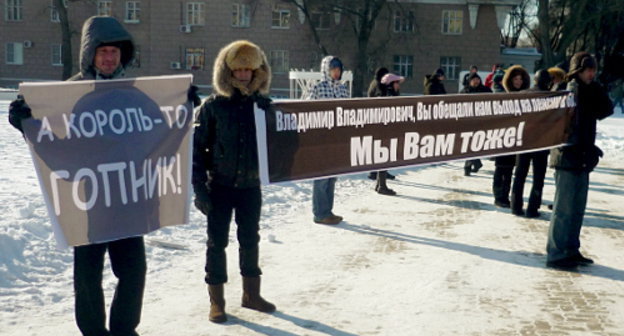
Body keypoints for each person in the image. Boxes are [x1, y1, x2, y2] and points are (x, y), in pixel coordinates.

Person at [7, 16, 178, 336]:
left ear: (122, 55)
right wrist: (25, 123)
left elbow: (161, 138)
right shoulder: (69, 95)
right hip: (89, 200)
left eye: (114, 52)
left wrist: (183, 108)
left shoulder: (136, 95)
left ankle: (124, 330)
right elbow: (53, 142)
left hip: (130, 197)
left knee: (133, 271)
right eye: (103, 52)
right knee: (87, 276)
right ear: (90, 55)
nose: (109, 58)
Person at [192, 40, 276, 323]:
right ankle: (217, 302)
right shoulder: (213, 108)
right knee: (217, 243)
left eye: (248, 71)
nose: (243, 76)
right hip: (221, 187)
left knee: (250, 240)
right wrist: (199, 189)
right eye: (238, 70)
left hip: (250, 187)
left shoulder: (262, 107)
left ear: (257, 73)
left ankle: (251, 295)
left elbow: (280, 144)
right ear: (227, 72)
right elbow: (196, 151)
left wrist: (270, 112)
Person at [546, 52, 613, 269]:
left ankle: (571, 250)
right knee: (564, 209)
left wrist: (597, 87)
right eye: (587, 70)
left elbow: (606, 109)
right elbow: (558, 121)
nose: (591, 73)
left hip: (583, 157)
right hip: (566, 156)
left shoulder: (591, 90)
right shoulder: (566, 90)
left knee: (577, 208)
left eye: (593, 69)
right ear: (578, 70)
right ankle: (557, 253)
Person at [306, 56, 349, 225]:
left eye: (338, 69)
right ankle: (320, 213)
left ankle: (327, 211)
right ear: (326, 70)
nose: (336, 72)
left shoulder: (343, 89)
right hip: (321, 139)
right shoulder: (317, 87)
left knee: (332, 176)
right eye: (333, 69)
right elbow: (306, 110)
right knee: (322, 176)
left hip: (337, 139)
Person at [510, 70, 552, 218]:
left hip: (524, 141)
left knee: (519, 175)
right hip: (541, 142)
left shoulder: (522, 94)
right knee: (538, 178)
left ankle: (515, 206)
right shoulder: (550, 97)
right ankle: (532, 209)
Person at [494, 65, 530, 208]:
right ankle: (498, 196)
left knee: (510, 169)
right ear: (510, 79)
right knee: (501, 167)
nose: (518, 82)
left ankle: (505, 196)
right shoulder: (502, 95)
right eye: (515, 79)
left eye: (521, 79)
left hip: (518, 137)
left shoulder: (526, 96)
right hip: (502, 136)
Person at [370, 72, 405, 196]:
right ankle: (382, 186)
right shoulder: (388, 96)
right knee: (384, 157)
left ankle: (380, 184)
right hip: (384, 132)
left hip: (383, 131)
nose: (398, 86)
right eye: (397, 83)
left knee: (383, 157)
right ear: (391, 84)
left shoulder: (385, 94)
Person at [366, 67, 396, 181]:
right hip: (377, 120)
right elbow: (381, 100)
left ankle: (381, 172)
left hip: (376, 120)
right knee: (380, 147)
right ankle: (376, 172)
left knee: (381, 147)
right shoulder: (378, 85)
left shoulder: (376, 83)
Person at [460, 73, 490, 176]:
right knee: (469, 144)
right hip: (468, 123)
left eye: (477, 79)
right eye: (474, 79)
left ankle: (476, 163)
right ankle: (469, 166)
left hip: (481, 122)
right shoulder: (464, 91)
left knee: (476, 144)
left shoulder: (486, 91)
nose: (476, 81)